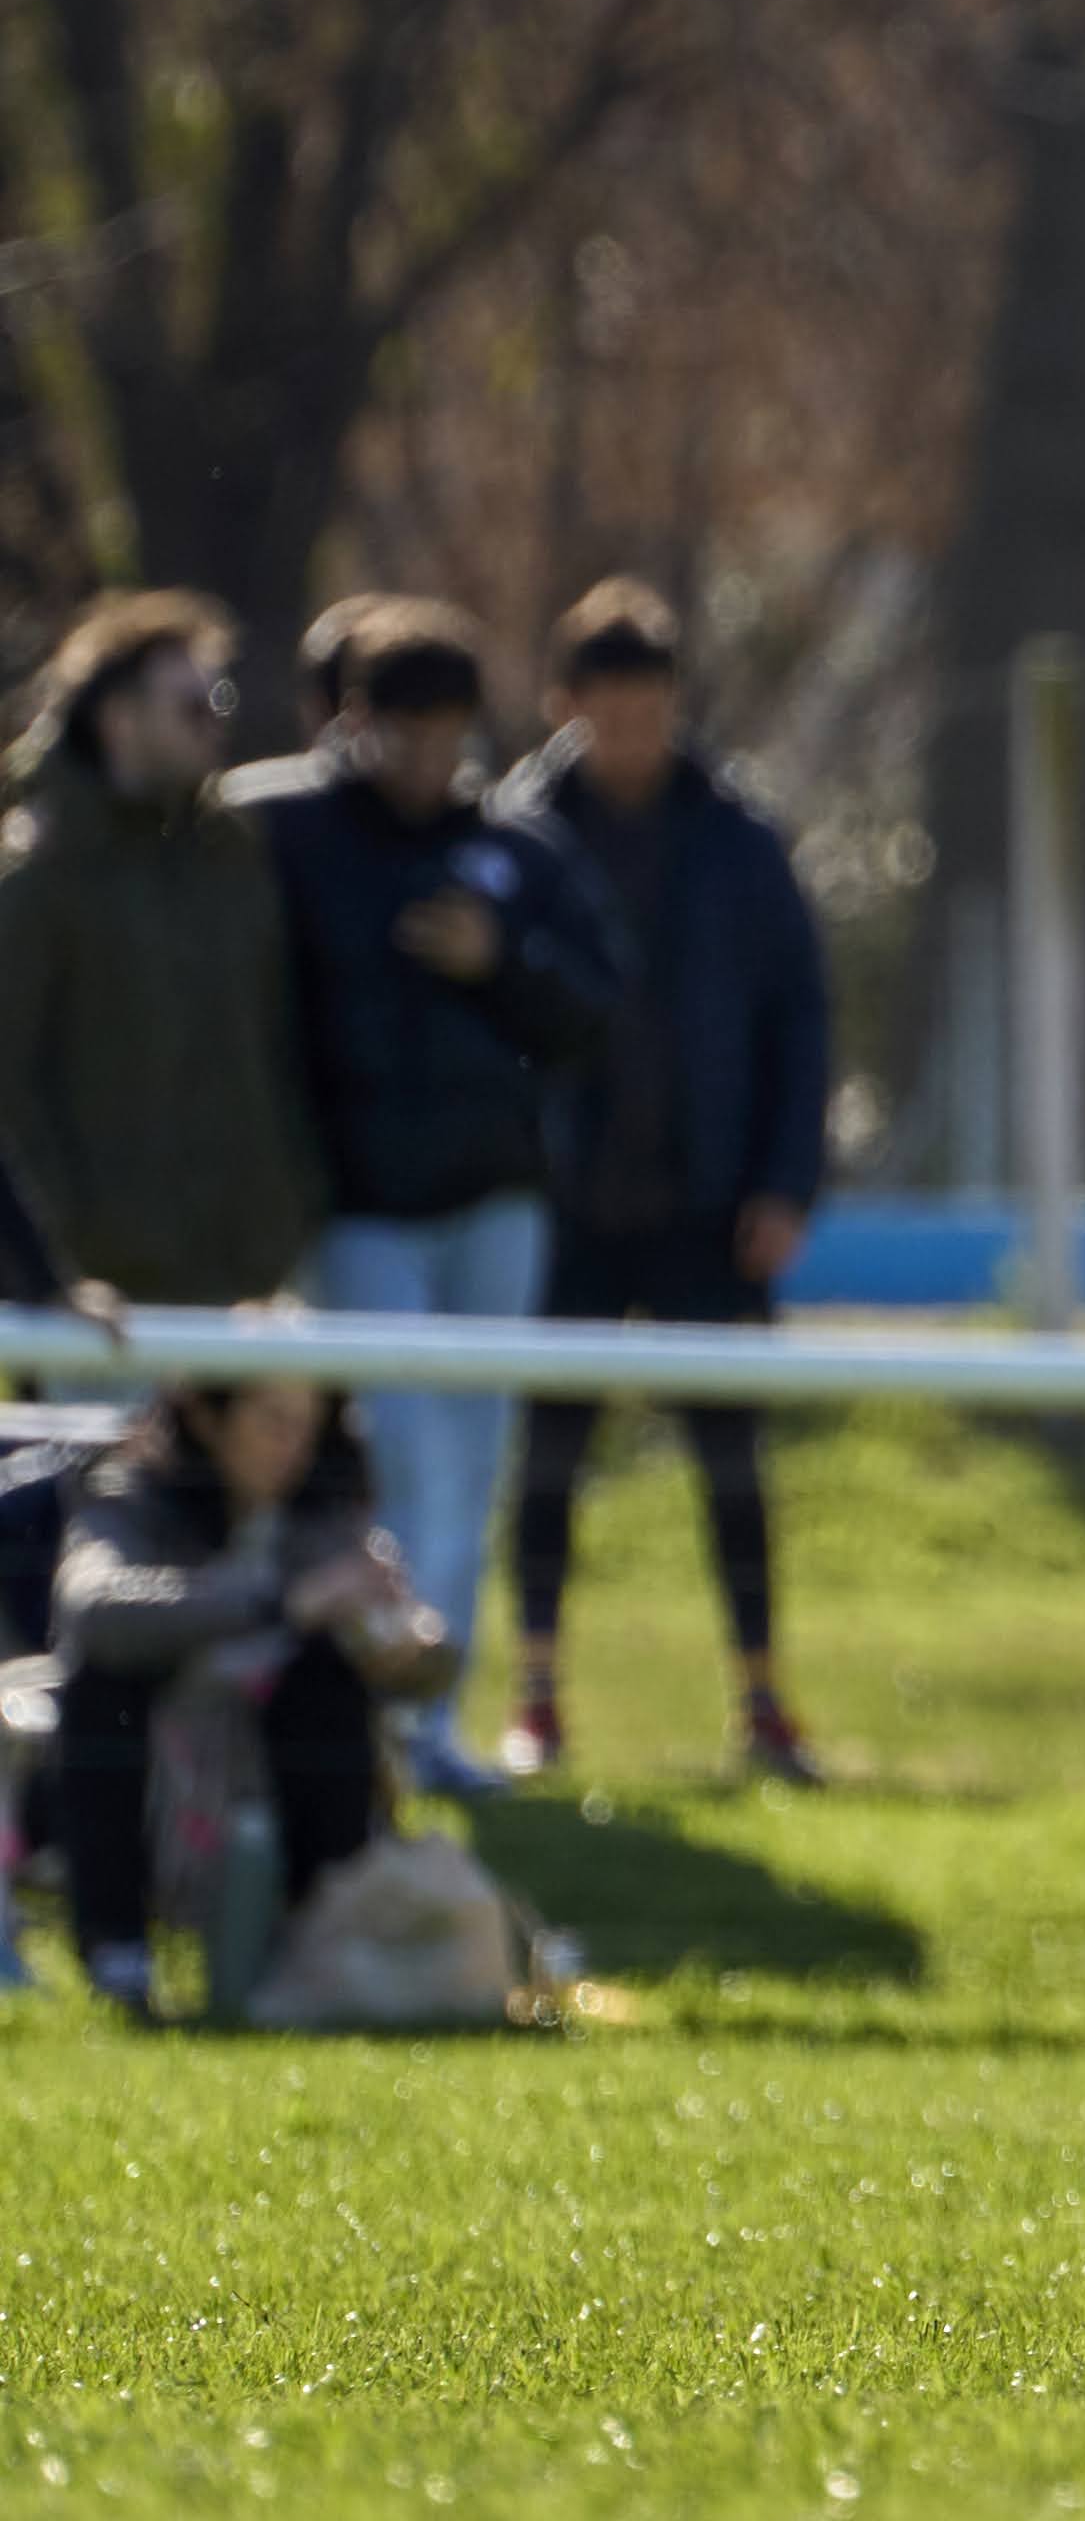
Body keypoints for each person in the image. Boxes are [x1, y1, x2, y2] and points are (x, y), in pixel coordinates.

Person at [261, 602, 617, 1800]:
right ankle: (368, 1719)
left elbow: (593, 1013)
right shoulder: (289, 832)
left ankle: (429, 1728)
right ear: (352, 718)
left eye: (445, 731)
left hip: (494, 1205)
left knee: (470, 1467)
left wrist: (498, 962)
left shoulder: (519, 850)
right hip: (359, 1209)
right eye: (400, 730)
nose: (424, 757)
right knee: (405, 1461)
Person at [484, 581, 836, 1788]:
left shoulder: (740, 838)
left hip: (710, 1203)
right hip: (563, 1206)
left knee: (732, 1464)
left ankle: (763, 1700)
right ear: (564, 703)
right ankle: (535, 1697)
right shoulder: (517, 835)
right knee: (547, 1458)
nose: (633, 730)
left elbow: (800, 1017)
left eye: (651, 705)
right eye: (610, 706)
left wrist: (786, 1183)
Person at [49, 1368, 453, 2015]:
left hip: (273, 1768)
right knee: (101, 1684)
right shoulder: (127, 1490)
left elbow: (423, 1668)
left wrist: (410, 1650)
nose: (294, 1447)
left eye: (308, 1427)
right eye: (272, 1423)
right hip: (152, 1773)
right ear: (207, 1418)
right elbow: (94, 1609)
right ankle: (119, 1956)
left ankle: (322, 1937)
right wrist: (281, 1604)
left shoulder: (321, 1514)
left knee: (324, 1676)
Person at [0, 593, 329, 1307]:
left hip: (244, 1274)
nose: (216, 722)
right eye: (191, 706)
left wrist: (289, 1202)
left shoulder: (233, 855)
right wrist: (57, 1249)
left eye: (220, 699)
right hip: (96, 1294)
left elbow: (279, 1038)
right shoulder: (43, 872)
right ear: (119, 719)